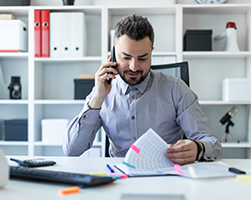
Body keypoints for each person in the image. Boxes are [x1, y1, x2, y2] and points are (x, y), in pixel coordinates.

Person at [63, 14, 222, 165]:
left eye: (142, 58)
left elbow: (212, 143)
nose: (133, 67)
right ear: (113, 54)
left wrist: (198, 148)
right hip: (120, 176)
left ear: (152, 52)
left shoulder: (176, 89)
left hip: (166, 175)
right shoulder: (101, 91)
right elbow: (72, 150)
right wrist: (97, 99)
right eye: (126, 57)